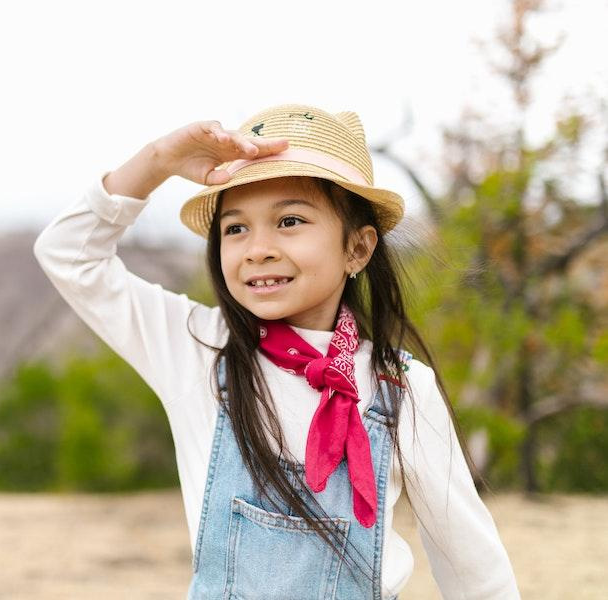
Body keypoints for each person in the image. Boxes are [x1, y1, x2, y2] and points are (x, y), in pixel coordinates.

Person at [34, 104, 521, 599]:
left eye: (289, 220)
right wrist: (158, 160)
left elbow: (473, 568)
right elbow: (69, 255)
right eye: (236, 228)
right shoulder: (198, 349)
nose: (257, 249)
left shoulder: (401, 387)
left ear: (357, 248)